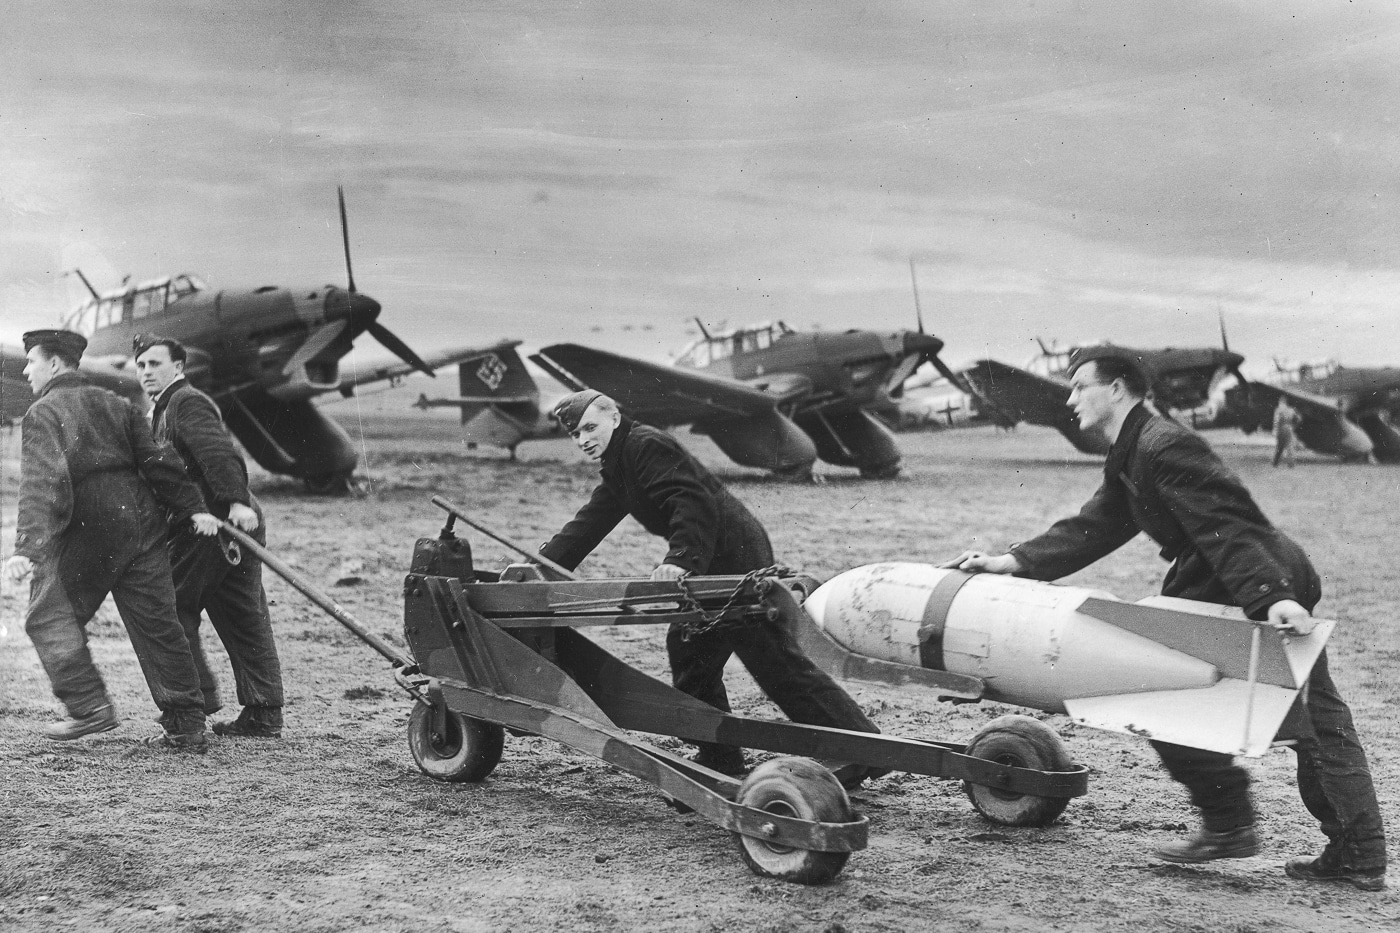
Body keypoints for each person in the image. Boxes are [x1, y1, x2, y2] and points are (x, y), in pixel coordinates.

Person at [942, 347, 1386, 891]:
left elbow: (1229, 526)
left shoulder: (1165, 444)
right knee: (1301, 720)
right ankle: (1342, 850)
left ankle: (1249, 829)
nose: (1071, 397)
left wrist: (1272, 598)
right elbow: (1098, 523)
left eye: (1082, 386)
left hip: (1244, 574)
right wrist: (1015, 562)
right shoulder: (1135, 448)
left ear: (1120, 389)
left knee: (1189, 705)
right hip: (1229, 574)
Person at [540, 390, 881, 782]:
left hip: (733, 557)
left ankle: (858, 749)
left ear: (613, 418)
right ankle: (722, 756)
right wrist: (543, 563)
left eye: (589, 428)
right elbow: (592, 520)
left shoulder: (645, 445)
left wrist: (679, 561)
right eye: (575, 434)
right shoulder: (621, 462)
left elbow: (690, 500)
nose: (583, 439)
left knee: (772, 661)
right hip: (710, 561)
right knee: (690, 656)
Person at [3, 329, 219, 750]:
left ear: (54, 365)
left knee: (46, 617)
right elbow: (160, 461)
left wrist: (27, 548)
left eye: (32, 361)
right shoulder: (117, 403)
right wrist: (194, 508)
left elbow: (41, 483)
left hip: (94, 522)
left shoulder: (43, 411)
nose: (27, 370)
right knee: (158, 621)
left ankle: (88, 708)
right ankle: (187, 724)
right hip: (143, 519)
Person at [133, 334, 285, 738]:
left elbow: (217, 451)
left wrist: (235, 501)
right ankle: (263, 712)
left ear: (178, 368)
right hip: (224, 519)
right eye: (141, 365)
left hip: (212, 521)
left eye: (155, 364)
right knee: (243, 613)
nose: (147, 372)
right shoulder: (164, 408)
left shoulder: (186, 402)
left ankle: (188, 709)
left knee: (171, 608)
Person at [1272, 397, 1300, 468]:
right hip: (1289, 428)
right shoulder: (1291, 410)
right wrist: (1293, 426)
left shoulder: (1278, 410)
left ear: (1281, 402)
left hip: (1281, 428)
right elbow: (1298, 419)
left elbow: (1276, 420)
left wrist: (1275, 430)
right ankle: (1291, 464)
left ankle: (1275, 463)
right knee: (1290, 446)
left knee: (1279, 446)